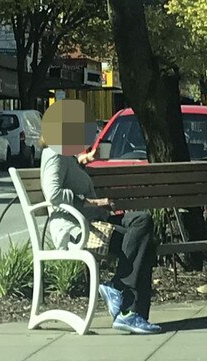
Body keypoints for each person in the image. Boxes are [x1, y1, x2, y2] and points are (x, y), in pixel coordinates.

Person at [39, 100, 161, 334]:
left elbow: (68, 179)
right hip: (76, 230)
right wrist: (93, 202)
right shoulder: (54, 152)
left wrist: (82, 162)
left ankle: (118, 289)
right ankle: (130, 311)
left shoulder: (67, 155)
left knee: (141, 221)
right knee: (145, 242)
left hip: (93, 222)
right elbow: (53, 194)